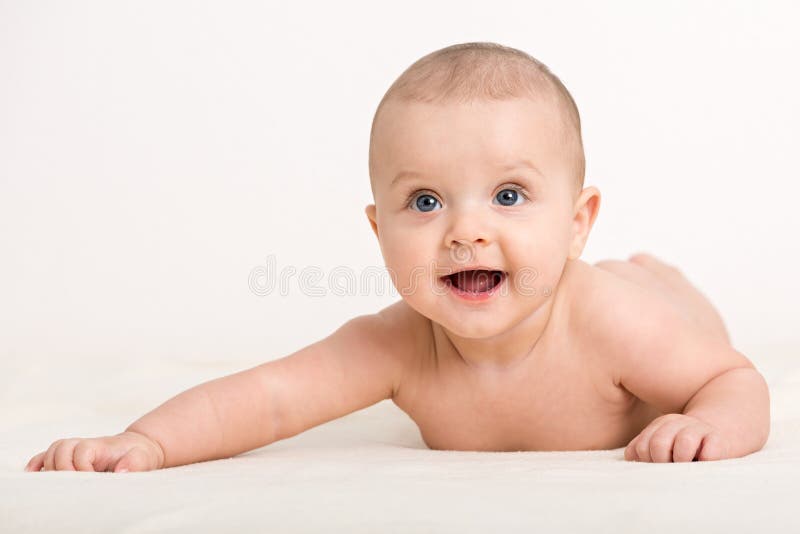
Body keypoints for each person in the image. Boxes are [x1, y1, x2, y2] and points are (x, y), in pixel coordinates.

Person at [25, 42, 770, 472]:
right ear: (378, 231)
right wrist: (146, 441)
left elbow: (731, 379)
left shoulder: (613, 323)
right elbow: (269, 397)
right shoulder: (399, 345)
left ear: (578, 223)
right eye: (424, 202)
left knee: (669, 305)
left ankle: (654, 269)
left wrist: (711, 421)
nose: (465, 231)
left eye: (509, 196)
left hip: (646, 299)